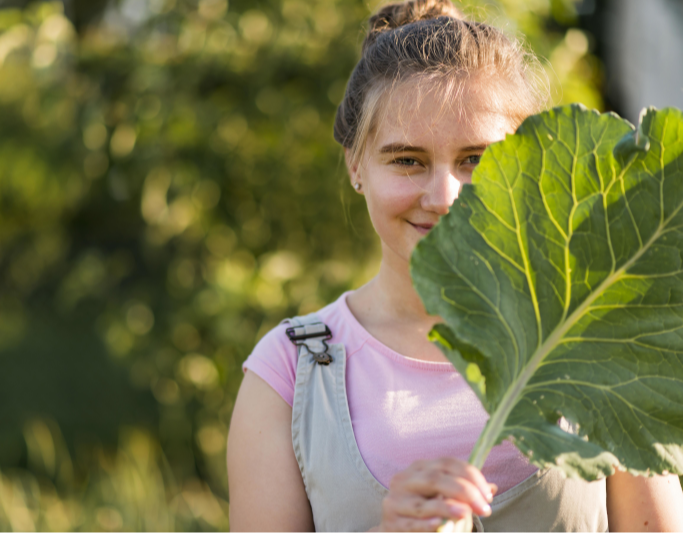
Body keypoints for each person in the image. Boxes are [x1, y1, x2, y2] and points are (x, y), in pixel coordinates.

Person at [227, 1, 683, 531]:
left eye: (477, 159)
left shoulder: (600, 339)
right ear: (356, 164)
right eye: (407, 160)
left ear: (528, 164)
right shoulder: (289, 371)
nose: (443, 196)